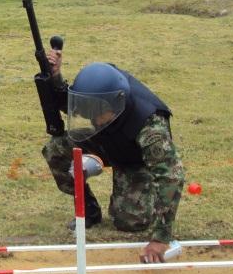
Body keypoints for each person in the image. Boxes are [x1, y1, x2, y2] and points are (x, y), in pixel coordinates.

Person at [42, 54, 185, 263]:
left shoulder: (150, 125)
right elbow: (70, 104)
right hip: (105, 141)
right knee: (55, 149)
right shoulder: (98, 95)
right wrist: (55, 77)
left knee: (129, 222)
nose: (93, 116)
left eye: (99, 112)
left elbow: (171, 175)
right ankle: (88, 210)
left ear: (116, 104)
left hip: (134, 159)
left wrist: (161, 237)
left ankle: (145, 196)